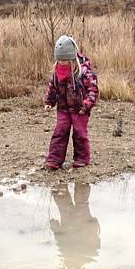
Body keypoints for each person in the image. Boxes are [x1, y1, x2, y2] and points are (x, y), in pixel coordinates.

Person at [44, 35, 99, 170]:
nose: (62, 63)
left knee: (80, 133)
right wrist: (49, 102)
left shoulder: (84, 71)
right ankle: (54, 159)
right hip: (63, 108)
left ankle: (81, 158)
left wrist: (86, 105)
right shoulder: (57, 72)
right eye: (59, 60)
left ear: (72, 59)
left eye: (65, 60)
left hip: (80, 109)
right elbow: (52, 87)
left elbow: (93, 90)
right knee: (60, 132)